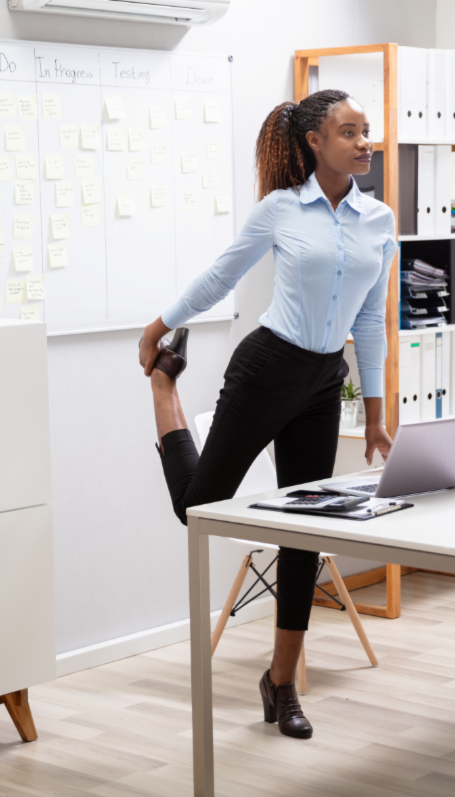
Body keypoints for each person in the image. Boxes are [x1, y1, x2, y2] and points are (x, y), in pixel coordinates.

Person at [138, 89, 397, 739]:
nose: (365, 142)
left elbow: (370, 318)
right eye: (350, 132)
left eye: (367, 131)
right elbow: (222, 277)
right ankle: (165, 393)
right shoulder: (281, 210)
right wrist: (159, 327)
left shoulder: (379, 220)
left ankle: (282, 683)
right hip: (266, 367)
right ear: (315, 141)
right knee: (201, 506)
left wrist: (375, 411)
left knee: (305, 531)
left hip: (320, 382)